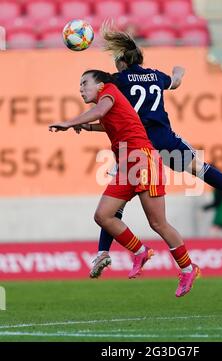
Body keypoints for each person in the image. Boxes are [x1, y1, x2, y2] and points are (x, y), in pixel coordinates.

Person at [77, 25, 222, 278]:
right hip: (163, 138)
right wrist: (178, 71)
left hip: (136, 144)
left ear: (121, 61)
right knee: (199, 168)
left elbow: (114, 118)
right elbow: (177, 81)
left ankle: (103, 251)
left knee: (116, 204)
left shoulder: (116, 81)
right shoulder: (155, 76)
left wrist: (84, 124)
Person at [49, 69, 200, 298]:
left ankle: (188, 269)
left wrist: (70, 122)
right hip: (127, 163)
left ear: (100, 84)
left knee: (158, 223)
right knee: (103, 216)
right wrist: (87, 126)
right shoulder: (109, 102)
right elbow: (107, 121)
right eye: (79, 85)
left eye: (84, 83)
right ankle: (140, 252)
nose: (80, 89)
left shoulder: (108, 92)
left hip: (143, 159)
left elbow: (99, 111)